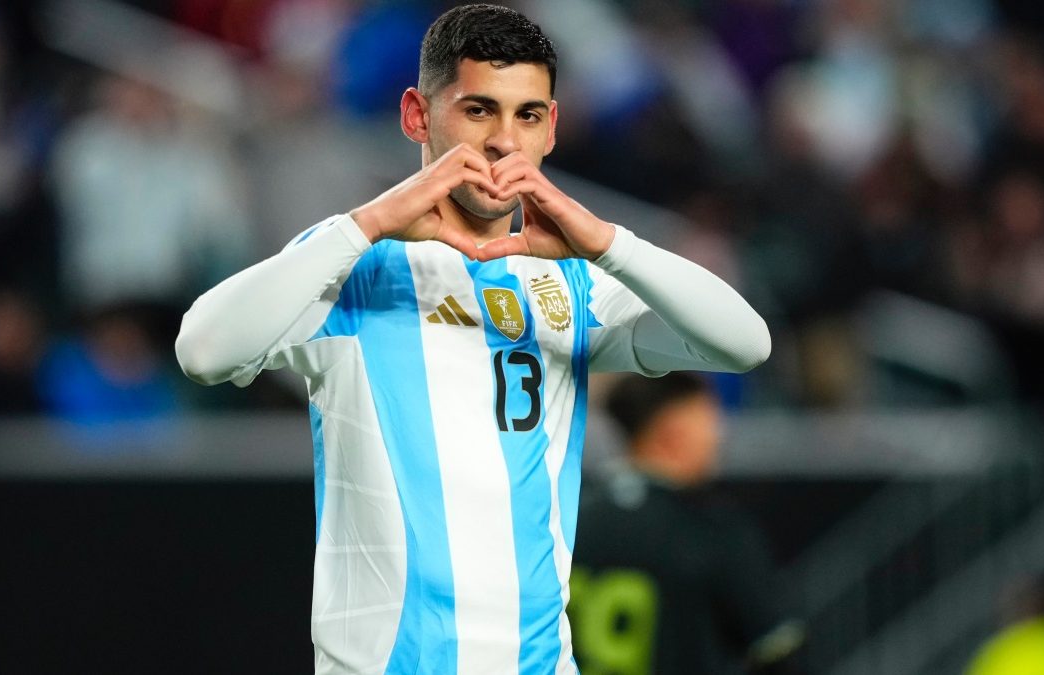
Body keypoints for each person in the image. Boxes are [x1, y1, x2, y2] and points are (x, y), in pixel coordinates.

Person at [175, 4, 770, 673]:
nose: (503, 142)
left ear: (551, 129)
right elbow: (203, 350)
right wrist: (367, 223)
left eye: (528, 115)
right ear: (417, 116)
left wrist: (608, 243)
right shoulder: (354, 263)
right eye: (479, 110)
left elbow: (744, 342)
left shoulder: (574, 281)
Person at [572, 373, 805, 675]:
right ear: (674, 431)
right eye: (708, 419)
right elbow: (778, 653)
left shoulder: (570, 519)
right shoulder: (711, 529)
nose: (719, 435)